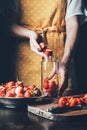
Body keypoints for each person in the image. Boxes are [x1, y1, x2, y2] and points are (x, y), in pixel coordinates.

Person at [0, 0, 87, 96]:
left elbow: (73, 24)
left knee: (61, 103)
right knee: (24, 95)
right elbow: (8, 25)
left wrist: (65, 62)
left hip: (60, 62)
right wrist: (30, 34)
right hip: (25, 62)